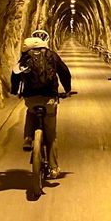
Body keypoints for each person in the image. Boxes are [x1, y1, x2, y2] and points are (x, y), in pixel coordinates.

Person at [11, 33, 71, 179]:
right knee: (51, 135)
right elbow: (64, 73)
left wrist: (15, 91)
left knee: (31, 112)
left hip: (31, 98)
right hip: (49, 98)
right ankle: (54, 167)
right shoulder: (52, 56)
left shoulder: (25, 58)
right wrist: (67, 89)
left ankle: (28, 138)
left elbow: (15, 75)